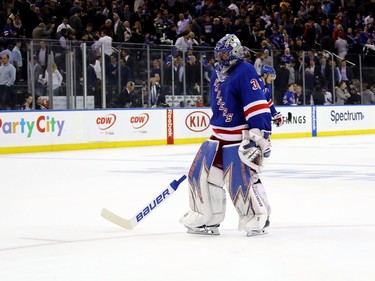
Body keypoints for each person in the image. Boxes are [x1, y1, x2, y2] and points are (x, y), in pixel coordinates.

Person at [180, 34, 273, 237]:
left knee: (240, 180)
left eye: (224, 54)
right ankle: (206, 217)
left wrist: (260, 137)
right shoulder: (217, 73)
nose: (220, 58)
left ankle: (257, 216)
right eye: (218, 54)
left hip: (238, 139)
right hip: (217, 138)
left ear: (235, 52)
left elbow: (257, 106)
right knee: (201, 177)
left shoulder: (245, 71)